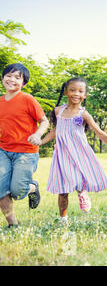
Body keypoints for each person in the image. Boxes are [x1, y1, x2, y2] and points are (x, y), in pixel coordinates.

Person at [41, 77, 107, 222]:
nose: (76, 93)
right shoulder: (58, 111)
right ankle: (63, 219)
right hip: (62, 154)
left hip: (79, 152)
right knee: (63, 189)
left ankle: (82, 192)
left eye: (80, 91)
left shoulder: (83, 114)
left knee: (78, 179)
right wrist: (40, 142)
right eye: (72, 90)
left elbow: (99, 132)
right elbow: (56, 130)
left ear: (85, 95)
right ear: (66, 92)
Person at [0, 63, 49, 228]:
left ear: (24, 83)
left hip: (26, 152)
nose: (12, 79)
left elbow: (44, 121)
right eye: (9, 75)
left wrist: (37, 134)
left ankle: (32, 188)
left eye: (17, 77)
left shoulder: (28, 99)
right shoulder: (0, 102)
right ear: (2, 78)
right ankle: (13, 225)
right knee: (0, 188)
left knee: (17, 191)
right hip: (4, 150)